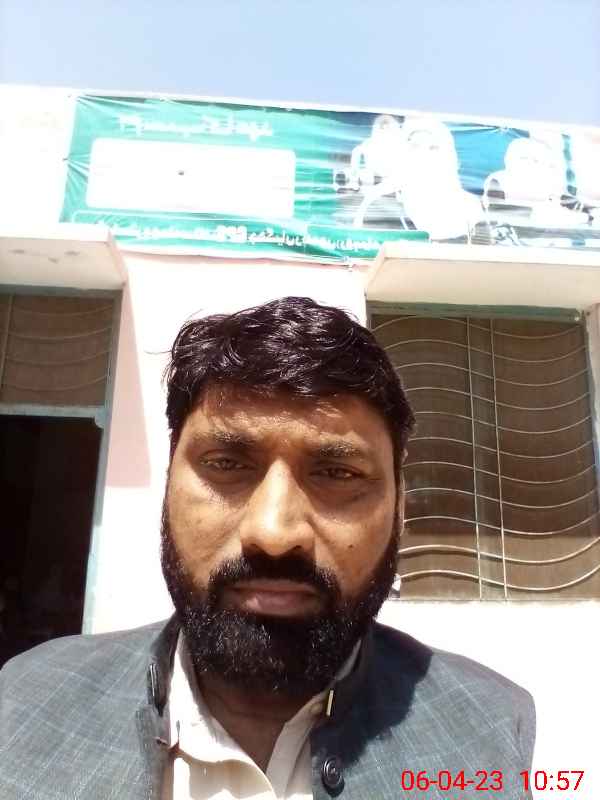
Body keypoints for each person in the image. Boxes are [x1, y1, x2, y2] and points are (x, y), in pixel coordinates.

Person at [0, 297, 535, 800]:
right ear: (168, 488)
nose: (275, 533)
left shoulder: (490, 728)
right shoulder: (22, 702)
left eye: (337, 473)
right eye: (226, 465)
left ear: (400, 510)